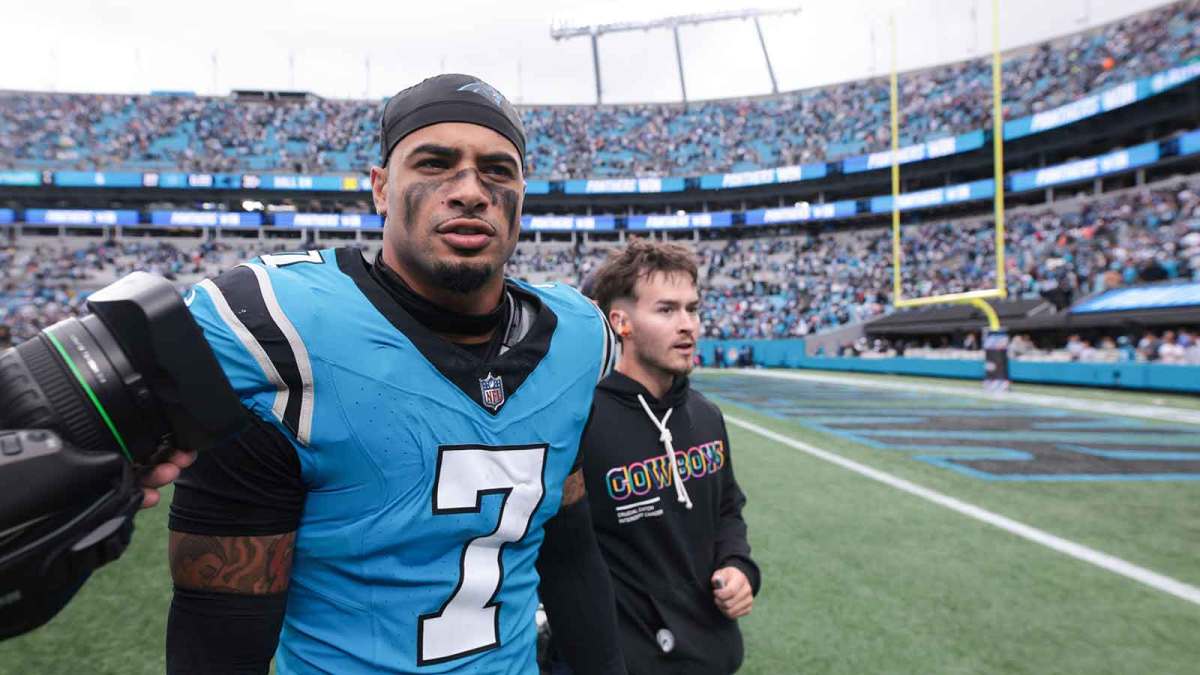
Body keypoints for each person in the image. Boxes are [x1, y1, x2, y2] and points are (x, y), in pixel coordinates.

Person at [165, 74, 624, 674]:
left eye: (497, 170)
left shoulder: (577, 337)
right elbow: (216, 630)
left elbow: (570, 555)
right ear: (381, 188)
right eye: (435, 163)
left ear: (521, 195)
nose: (469, 191)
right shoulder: (279, 325)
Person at [568, 240, 761, 674]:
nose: (688, 325)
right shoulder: (582, 422)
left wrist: (739, 566)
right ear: (621, 322)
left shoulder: (706, 416)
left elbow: (728, 509)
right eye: (667, 310)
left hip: (714, 653)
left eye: (692, 308)